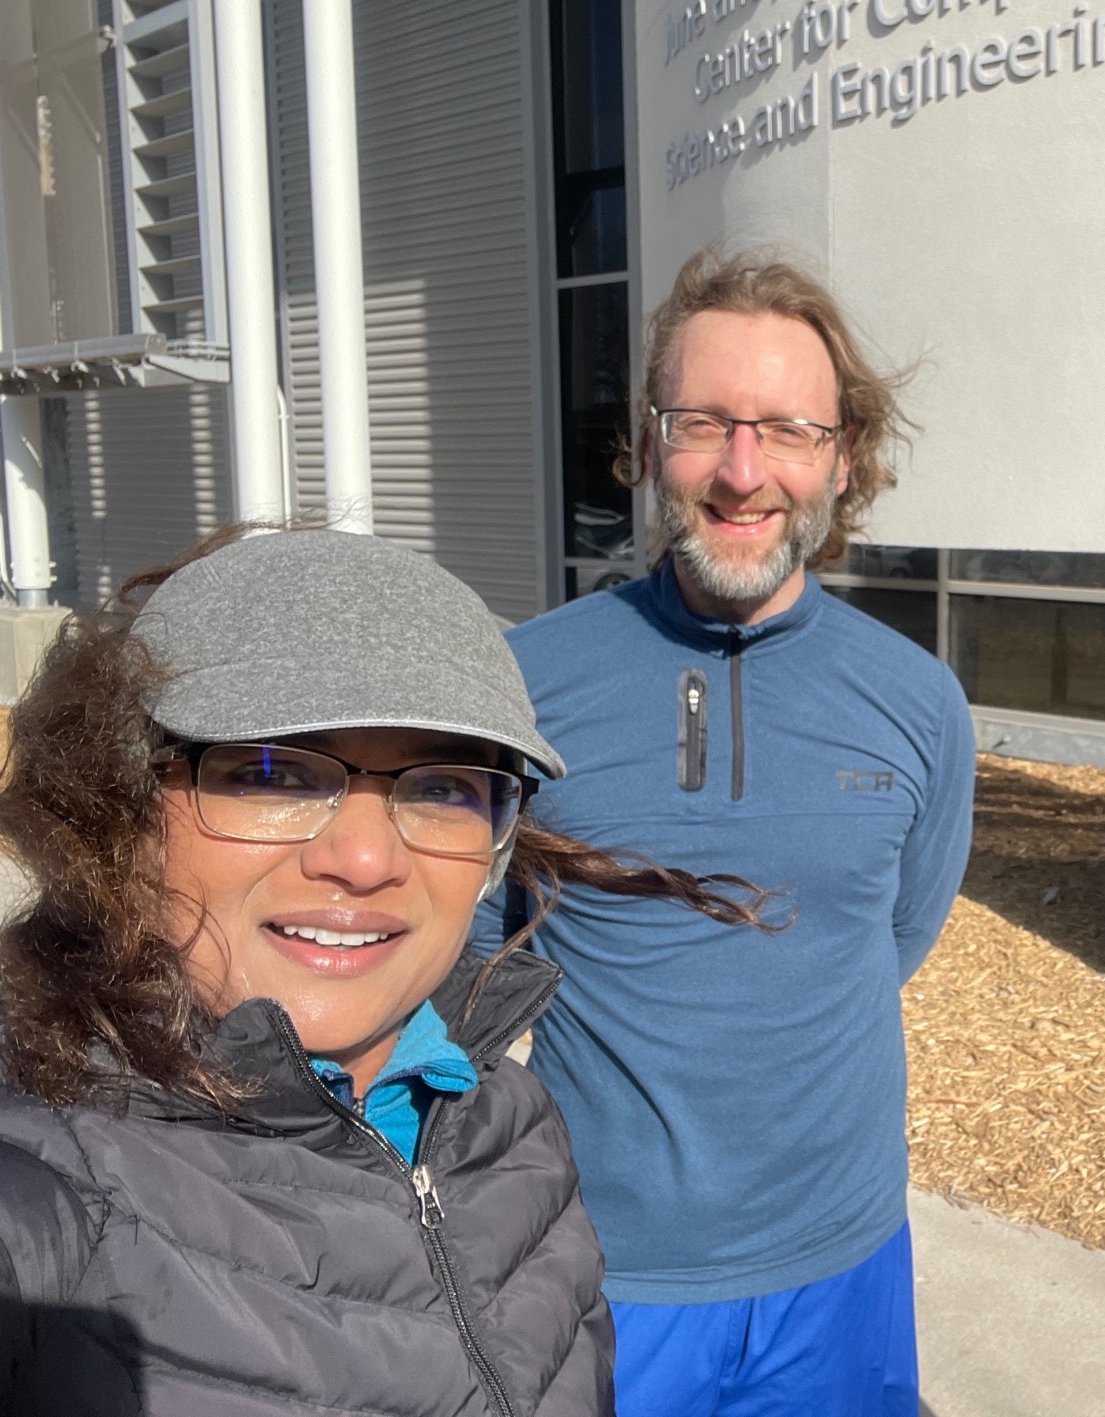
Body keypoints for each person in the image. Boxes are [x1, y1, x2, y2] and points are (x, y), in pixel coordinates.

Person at [0, 526, 762, 1416]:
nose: (364, 859)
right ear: (119, 812)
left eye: (442, 788)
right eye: (272, 772)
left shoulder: (506, 1126)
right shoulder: (43, 1194)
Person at [476, 246, 975, 1415]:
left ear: (842, 460)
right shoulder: (524, 685)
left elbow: (891, 938)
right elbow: (466, 952)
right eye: (705, 423)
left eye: (788, 431)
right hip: (607, 1274)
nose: (743, 472)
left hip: (842, 1269)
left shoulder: (917, 702)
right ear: (650, 443)